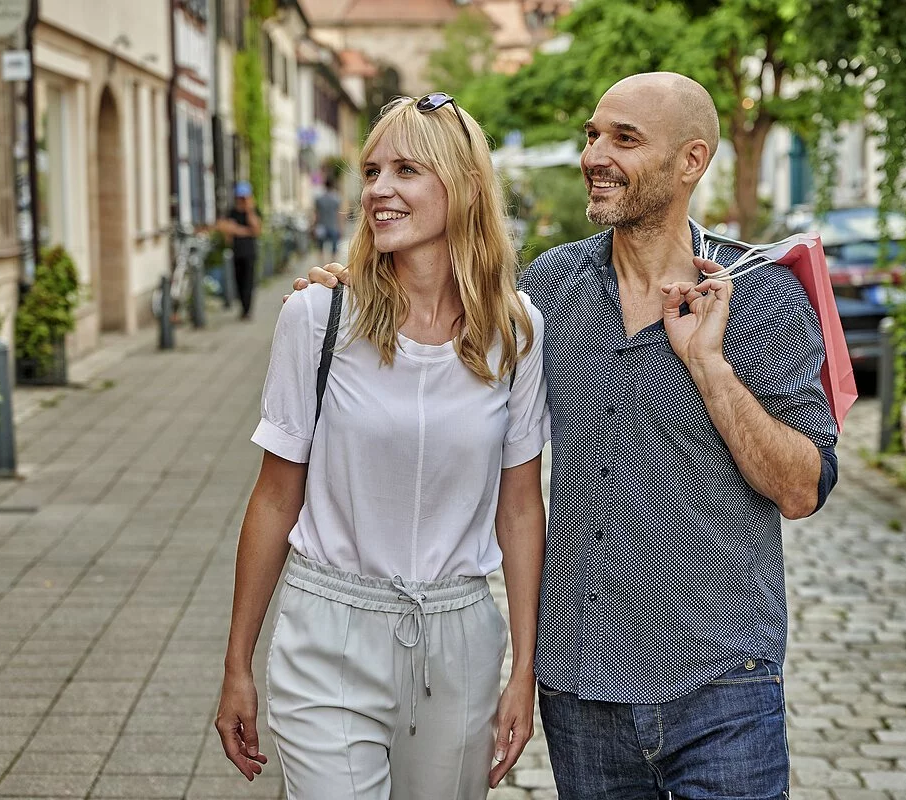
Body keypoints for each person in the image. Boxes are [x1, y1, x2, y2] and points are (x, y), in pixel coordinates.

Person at [295, 72, 839, 800]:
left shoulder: (764, 298)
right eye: (591, 134)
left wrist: (709, 366)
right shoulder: (547, 294)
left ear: (691, 161)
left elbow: (802, 488)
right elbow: (441, 316)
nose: (593, 154)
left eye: (624, 138)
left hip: (720, 683)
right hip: (584, 690)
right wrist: (348, 289)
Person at [215, 93, 549, 800]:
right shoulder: (317, 316)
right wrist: (236, 663)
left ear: (461, 188)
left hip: (459, 638)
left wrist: (523, 669)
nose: (378, 190)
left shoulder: (516, 331)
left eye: (406, 170)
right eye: (371, 171)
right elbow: (276, 496)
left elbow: (520, 509)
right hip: (327, 632)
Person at [216, 181, 263, 320]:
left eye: (244, 197)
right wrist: (244, 231)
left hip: (249, 253)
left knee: (248, 282)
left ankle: (247, 310)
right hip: (237, 252)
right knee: (238, 281)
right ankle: (242, 307)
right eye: (240, 197)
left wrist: (249, 211)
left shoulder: (253, 211)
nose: (242, 200)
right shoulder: (232, 211)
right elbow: (225, 228)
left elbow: (256, 229)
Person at [314, 178, 343, 260]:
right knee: (334, 247)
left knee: (320, 246)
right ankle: (333, 264)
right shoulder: (336, 198)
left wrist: (314, 226)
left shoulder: (319, 199)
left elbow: (316, 214)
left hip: (321, 225)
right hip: (333, 225)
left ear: (324, 185)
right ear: (333, 185)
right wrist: (341, 227)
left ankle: (321, 265)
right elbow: (339, 214)